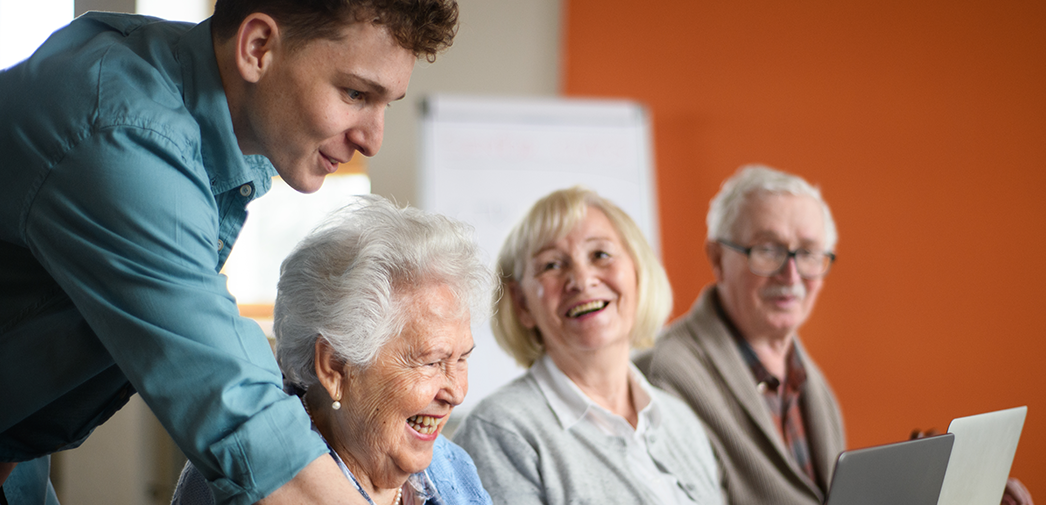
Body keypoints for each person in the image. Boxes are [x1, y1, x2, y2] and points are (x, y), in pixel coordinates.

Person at [0, 1, 457, 504]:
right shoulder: (124, 131)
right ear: (258, 47)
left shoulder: (219, 116)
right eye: (354, 93)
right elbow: (240, 413)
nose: (373, 139)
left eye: (386, 102)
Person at [635, 164, 1034, 505]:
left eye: (808, 253)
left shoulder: (807, 379)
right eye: (767, 250)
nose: (791, 276)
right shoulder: (663, 376)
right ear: (718, 258)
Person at [173, 195, 492, 505]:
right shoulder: (246, 476)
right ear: (336, 366)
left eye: (462, 358)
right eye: (433, 362)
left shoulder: (454, 468)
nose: (457, 392)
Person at [453, 187, 722, 504]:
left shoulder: (681, 421)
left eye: (600, 255)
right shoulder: (500, 432)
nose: (581, 280)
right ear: (522, 303)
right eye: (552, 265)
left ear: (638, 273)